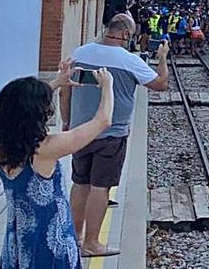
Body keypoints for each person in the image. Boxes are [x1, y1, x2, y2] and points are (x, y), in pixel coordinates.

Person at [63, 14, 169, 258]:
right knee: (101, 188)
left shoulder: (80, 53)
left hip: (80, 132)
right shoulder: (129, 60)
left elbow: (65, 92)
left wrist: (67, 121)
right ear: (125, 34)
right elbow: (161, 84)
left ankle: (74, 237)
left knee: (80, 183)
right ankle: (91, 243)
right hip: (111, 133)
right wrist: (161, 58)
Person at [0, 62, 112, 267]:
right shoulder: (46, 149)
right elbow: (103, 121)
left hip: (18, 239)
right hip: (50, 241)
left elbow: (21, 106)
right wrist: (108, 86)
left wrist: (57, 82)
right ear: (37, 113)